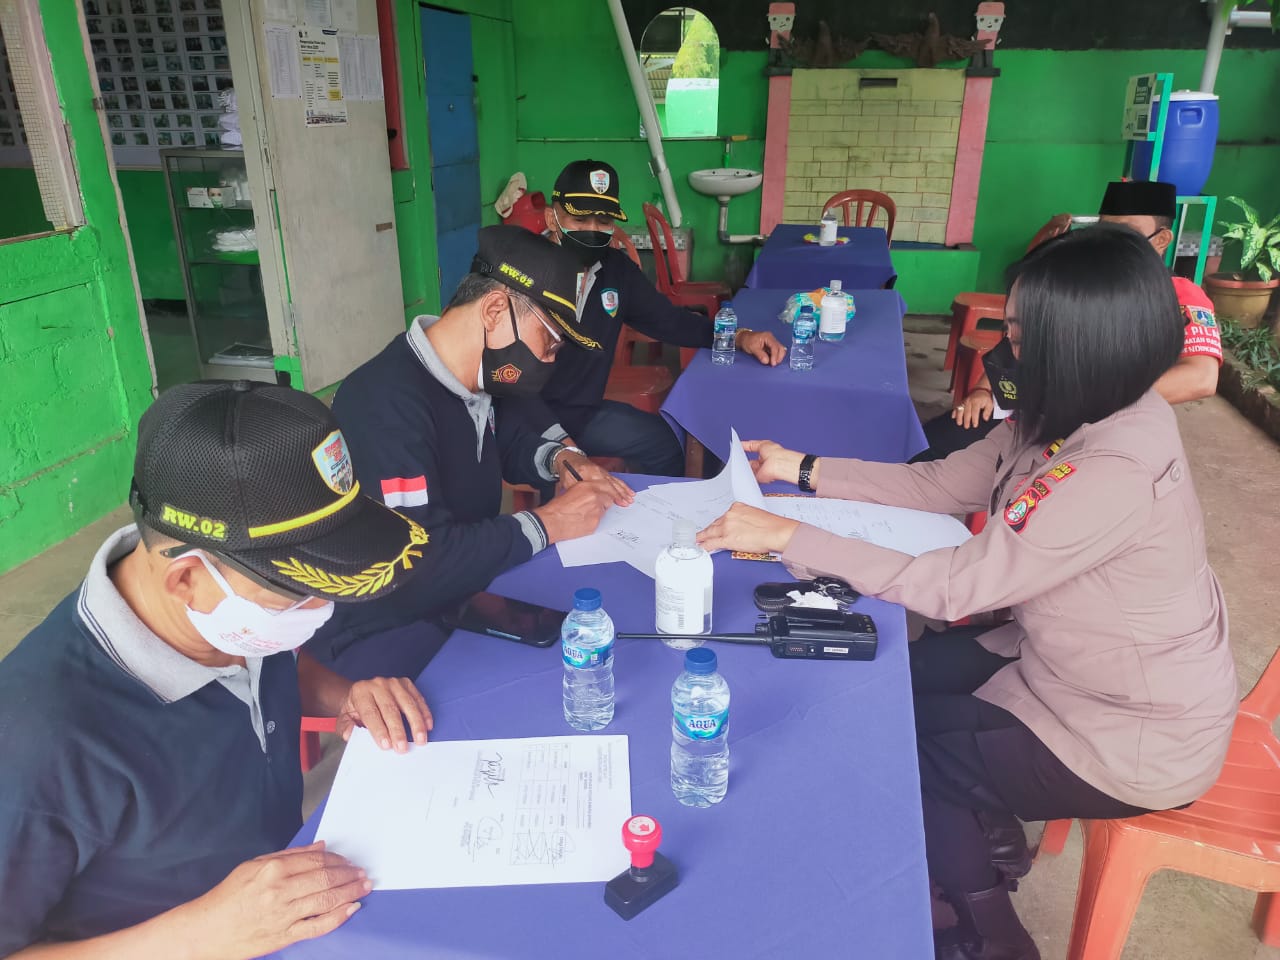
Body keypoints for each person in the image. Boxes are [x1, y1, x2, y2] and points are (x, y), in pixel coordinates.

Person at [698, 226, 1237, 960]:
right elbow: (943, 484)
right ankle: (985, 837)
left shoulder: (1115, 465)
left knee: (909, 749)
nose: (1000, 353)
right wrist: (803, 467)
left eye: (1019, 336)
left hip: (1126, 731)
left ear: (1079, 345)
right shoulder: (1069, 410)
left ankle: (990, 934)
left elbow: (955, 587)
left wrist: (790, 536)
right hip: (1062, 661)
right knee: (894, 678)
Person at [0, 380, 437, 959]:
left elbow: (268, 671)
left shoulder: (228, 620)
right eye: (297, 593)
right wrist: (206, 933)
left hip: (297, 906)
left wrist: (345, 695)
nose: (321, 609)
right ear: (186, 578)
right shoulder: (37, 744)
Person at [308, 226, 632, 680]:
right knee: (557, 675)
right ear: (495, 310)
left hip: (462, 594)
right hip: (381, 628)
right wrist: (549, 523)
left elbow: (503, 444)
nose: (551, 359)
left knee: (592, 629)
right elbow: (416, 564)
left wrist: (561, 460)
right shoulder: (384, 403)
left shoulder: (476, 379)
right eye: (550, 341)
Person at [500, 158, 787, 477]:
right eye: (579, 220)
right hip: (522, 419)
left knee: (672, 444)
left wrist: (738, 337)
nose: (592, 230)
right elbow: (504, 380)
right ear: (551, 218)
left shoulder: (615, 271)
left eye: (603, 221)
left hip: (582, 415)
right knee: (565, 484)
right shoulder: (518, 275)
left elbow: (670, 321)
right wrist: (563, 445)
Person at [917, 179, 1222, 462]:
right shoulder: (1081, 277)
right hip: (1025, 408)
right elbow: (1019, 341)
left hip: (1091, 427)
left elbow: (1201, 378)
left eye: (1126, 233)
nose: (1111, 242)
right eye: (1106, 229)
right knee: (928, 446)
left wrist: (1088, 399)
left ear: (1162, 239)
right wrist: (984, 390)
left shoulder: (1179, 294)